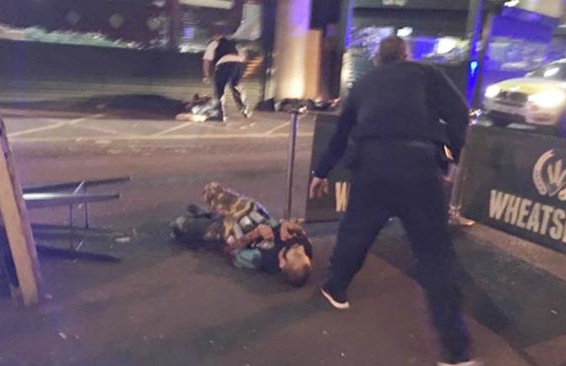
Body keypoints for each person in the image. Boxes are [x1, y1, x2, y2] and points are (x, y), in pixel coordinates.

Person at [309, 35, 479, 366]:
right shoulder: (426, 73)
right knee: (434, 256)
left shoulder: (363, 84)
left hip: (372, 166)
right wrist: (449, 156)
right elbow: (460, 112)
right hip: (419, 166)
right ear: (406, 55)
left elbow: (341, 134)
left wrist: (321, 171)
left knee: (356, 231)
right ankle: (456, 354)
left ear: (377, 60)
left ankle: (335, 287)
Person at [173, 182, 312, 287]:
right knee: (211, 189)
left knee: (180, 224)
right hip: (251, 211)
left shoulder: (263, 258)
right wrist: (286, 225)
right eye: (301, 251)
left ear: (281, 263)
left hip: (229, 229)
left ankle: (209, 218)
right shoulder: (303, 245)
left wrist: (255, 234)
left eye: (297, 252)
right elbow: (299, 231)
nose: (298, 247)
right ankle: (210, 215)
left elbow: (230, 252)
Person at [203, 34, 251, 122]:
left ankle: (220, 114)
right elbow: (244, 56)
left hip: (224, 64)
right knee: (236, 86)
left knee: (220, 89)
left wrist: (206, 75)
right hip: (238, 64)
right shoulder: (234, 43)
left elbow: (206, 60)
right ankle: (245, 109)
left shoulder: (213, 44)